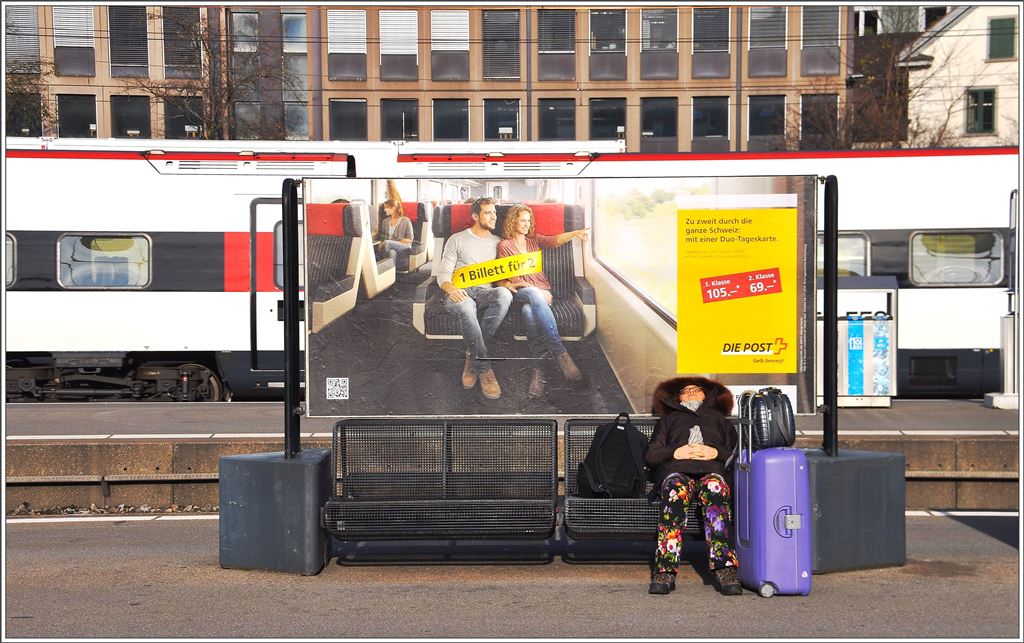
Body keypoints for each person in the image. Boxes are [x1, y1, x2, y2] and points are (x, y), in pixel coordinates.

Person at [644, 376, 742, 596]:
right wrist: (675, 452)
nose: (689, 393)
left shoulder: (720, 420)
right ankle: (665, 571)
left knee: (715, 489)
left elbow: (737, 455)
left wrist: (715, 452)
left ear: (706, 396)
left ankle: (725, 568)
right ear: (677, 399)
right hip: (677, 471)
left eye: (695, 390)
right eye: (684, 391)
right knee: (674, 493)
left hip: (712, 471)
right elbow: (651, 455)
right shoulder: (669, 420)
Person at [495, 204, 589, 397]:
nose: (527, 224)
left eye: (529, 220)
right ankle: (561, 353)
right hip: (522, 291)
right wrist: (536, 289)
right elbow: (510, 279)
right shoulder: (504, 245)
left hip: (541, 292)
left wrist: (575, 233)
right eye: (522, 220)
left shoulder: (534, 240)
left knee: (529, 312)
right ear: (513, 221)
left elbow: (554, 241)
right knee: (533, 297)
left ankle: (539, 370)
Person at [435, 197, 512, 400]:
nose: (493, 216)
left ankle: (473, 353)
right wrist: (451, 289)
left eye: (494, 212)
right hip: (461, 291)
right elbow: (443, 274)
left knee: (504, 294)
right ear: (476, 216)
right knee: (467, 307)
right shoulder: (457, 239)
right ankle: (484, 367)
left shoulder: (498, 243)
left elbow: (501, 277)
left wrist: (509, 284)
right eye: (488, 212)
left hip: (485, 291)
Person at [375, 198, 414, 272]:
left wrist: (394, 243)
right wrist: (382, 243)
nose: (384, 210)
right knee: (392, 252)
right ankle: (392, 275)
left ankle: (379, 262)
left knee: (387, 243)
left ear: (394, 208)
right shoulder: (385, 222)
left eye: (387, 207)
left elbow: (410, 239)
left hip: (403, 245)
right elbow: (383, 237)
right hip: (389, 247)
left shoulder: (406, 220)